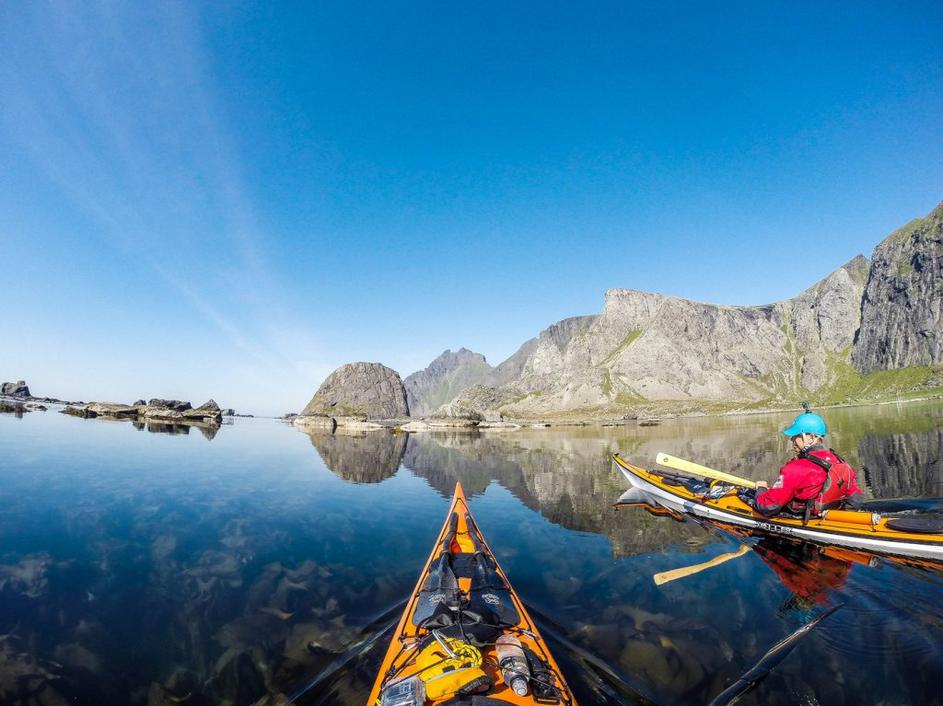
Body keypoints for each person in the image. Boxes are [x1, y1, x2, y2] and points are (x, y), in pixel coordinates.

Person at [748, 410, 863, 518]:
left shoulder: (794, 468)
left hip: (806, 519)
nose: (792, 440)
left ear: (811, 438)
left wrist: (761, 489)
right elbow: (856, 501)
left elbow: (767, 507)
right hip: (827, 518)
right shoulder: (840, 462)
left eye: (796, 436)